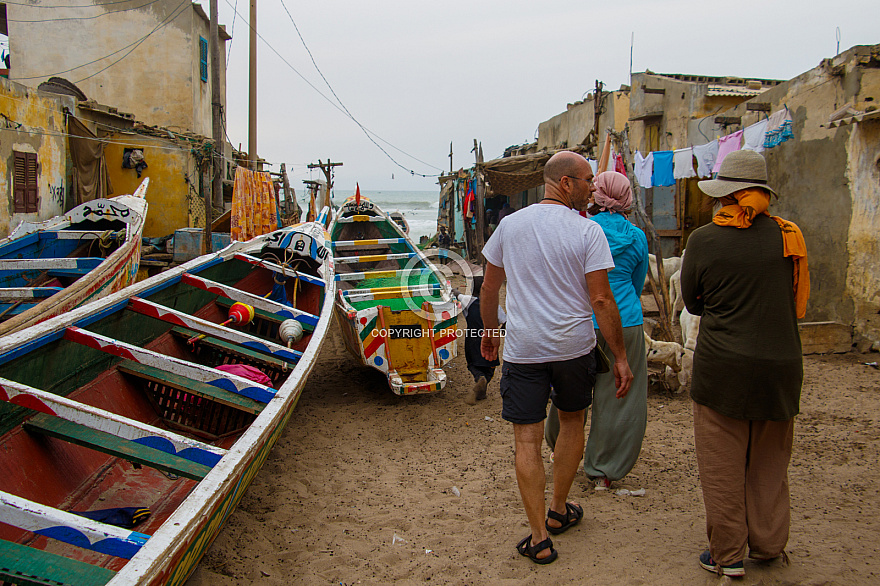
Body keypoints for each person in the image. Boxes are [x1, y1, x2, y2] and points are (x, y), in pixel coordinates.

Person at [480, 151, 634, 564]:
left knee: (526, 440)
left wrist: (491, 335)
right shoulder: (587, 232)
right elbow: (601, 299)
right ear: (565, 183)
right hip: (573, 349)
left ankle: (538, 538)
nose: (592, 188)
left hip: (524, 349)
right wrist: (619, 356)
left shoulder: (509, 226)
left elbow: (489, 288)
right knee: (571, 424)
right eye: (586, 180)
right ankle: (558, 510)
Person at [680, 149, 808, 577]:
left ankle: (728, 555)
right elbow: (791, 298)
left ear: (725, 196)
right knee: (771, 460)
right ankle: (770, 545)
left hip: (723, 369)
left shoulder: (703, 240)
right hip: (782, 367)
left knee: (722, 463)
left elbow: (693, 303)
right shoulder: (789, 237)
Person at [544, 171, 649, 490]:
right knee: (619, 394)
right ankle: (603, 470)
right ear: (627, 198)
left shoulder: (581, 230)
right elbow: (636, 283)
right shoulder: (636, 236)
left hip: (581, 320)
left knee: (570, 387)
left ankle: (560, 448)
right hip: (625, 322)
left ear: (596, 194)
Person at [455, 276, 507, 405]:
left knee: (472, 364)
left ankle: (479, 377)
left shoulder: (468, 301)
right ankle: (484, 382)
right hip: (490, 339)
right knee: (490, 366)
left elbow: (457, 295)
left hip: (472, 339)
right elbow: (505, 322)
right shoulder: (494, 305)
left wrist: (453, 290)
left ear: (472, 289)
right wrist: (501, 332)